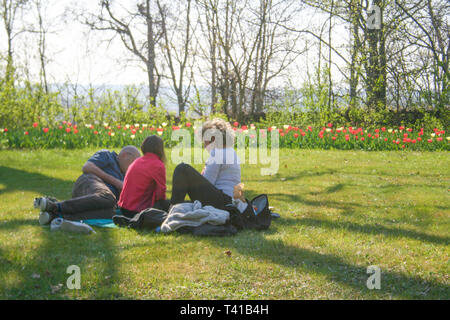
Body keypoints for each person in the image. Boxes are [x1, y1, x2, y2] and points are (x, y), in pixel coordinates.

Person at [34, 146, 141, 224]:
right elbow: (87, 167)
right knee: (107, 197)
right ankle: (56, 206)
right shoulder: (107, 155)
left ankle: (54, 216)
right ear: (124, 155)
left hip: (99, 201)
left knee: (112, 214)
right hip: (90, 182)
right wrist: (117, 183)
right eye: (133, 163)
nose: (133, 168)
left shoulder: (125, 176)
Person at [170, 118, 241, 210]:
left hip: (221, 201)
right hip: (229, 201)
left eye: (205, 141)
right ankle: (174, 207)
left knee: (182, 169)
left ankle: (173, 209)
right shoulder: (230, 151)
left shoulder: (217, 152)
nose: (204, 145)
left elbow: (208, 182)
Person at [117, 135, 169, 218]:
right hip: (138, 211)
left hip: (124, 208)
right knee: (175, 206)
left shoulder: (137, 161)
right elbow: (161, 193)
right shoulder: (158, 165)